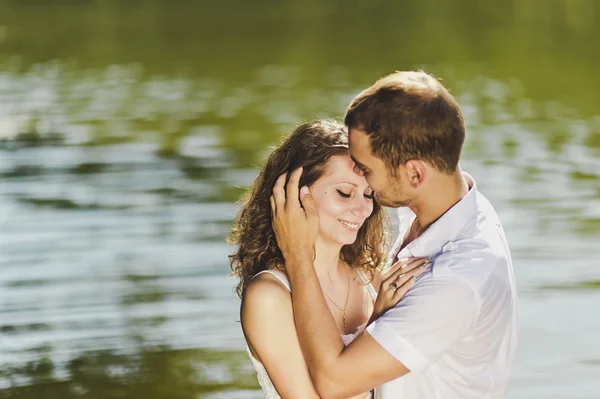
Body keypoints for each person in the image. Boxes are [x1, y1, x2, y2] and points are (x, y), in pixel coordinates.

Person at [270, 71, 519, 399]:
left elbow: (335, 383)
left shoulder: (458, 278)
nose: (361, 177)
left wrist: (297, 254)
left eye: (367, 168)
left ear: (414, 173)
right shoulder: (447, 207)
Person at [228, 119, 429, 399]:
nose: (362, 209)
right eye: (344, 193)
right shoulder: (269, 295)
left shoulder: (368, 277)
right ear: (295, 193)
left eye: (368, 194)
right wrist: (379, 319)